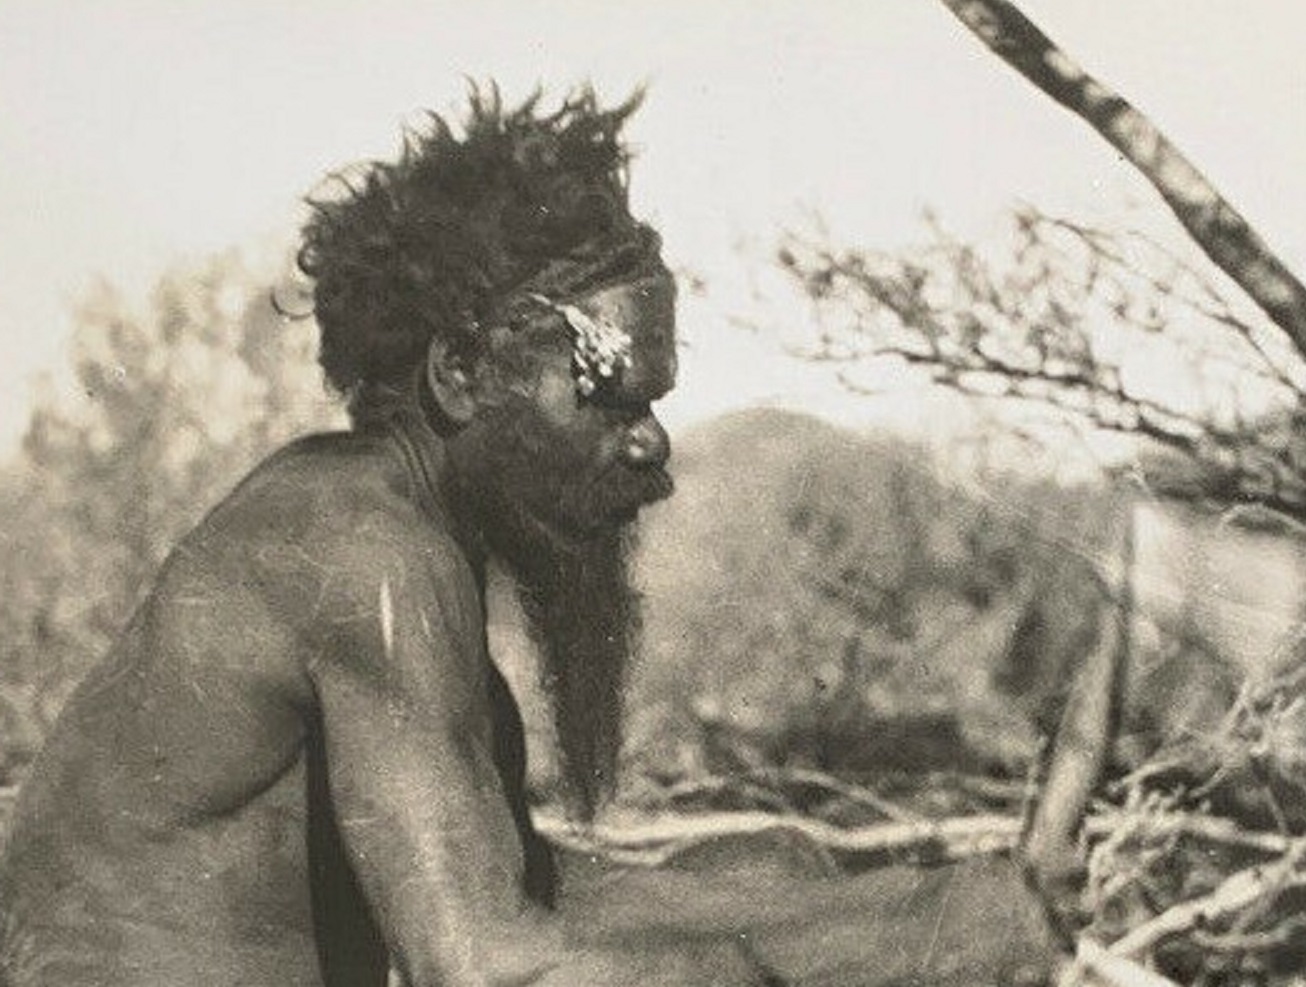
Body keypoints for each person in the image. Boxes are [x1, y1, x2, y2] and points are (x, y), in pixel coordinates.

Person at [0, 86, 689, 986]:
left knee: (785, 870)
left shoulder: (401, 556)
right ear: (464, 372)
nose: (651, 440)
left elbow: (530, 895)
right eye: (612, 392)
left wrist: (905, 912)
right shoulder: (367, 552)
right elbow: (486, 964)